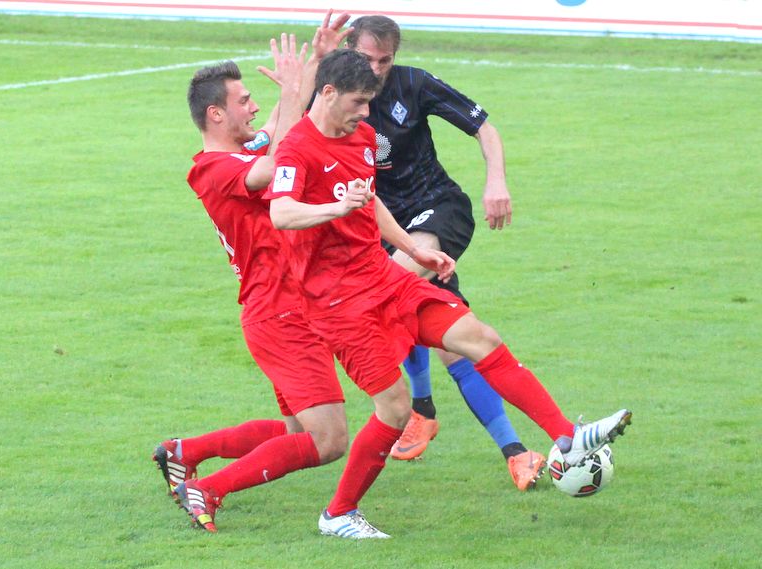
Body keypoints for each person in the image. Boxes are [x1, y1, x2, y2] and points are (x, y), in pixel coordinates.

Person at [266, 49, 632, 538]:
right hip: (337, 303)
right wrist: (334, 209)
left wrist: (414, 250)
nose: (366, 112)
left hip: (382, 277)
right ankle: (338, 514)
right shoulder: (297, 148)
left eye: (370, 102)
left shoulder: (363, 136)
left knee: (480, 337)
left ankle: (568, 435)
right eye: (357, 102)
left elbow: (369, 202)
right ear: (327, 93)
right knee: (395, 410)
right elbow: (281, 213)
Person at [152, 13, 382, 536]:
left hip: (288, 307)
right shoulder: (213, 169)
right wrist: (299, 90)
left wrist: (318, 63)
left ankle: (185, 452)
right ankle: (208, 490)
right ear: (216, 114)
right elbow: (283, 158)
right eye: (244, 101)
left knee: (297, 431)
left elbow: (280, 131)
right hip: (280, 312)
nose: (255, 106)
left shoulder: (243, 150)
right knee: (328, 440)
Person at [342, 15, 544, 489]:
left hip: (437, 210)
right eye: (367, 59)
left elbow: (483, 127)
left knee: (392, 285)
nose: (376, 70)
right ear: (348, 51)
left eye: (385, 60)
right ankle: (514, 451)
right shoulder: (332, 95)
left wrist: (497, 181)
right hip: (382, 227)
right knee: (455, 339)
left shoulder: (412, 84)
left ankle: (419, 407)